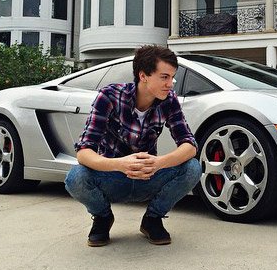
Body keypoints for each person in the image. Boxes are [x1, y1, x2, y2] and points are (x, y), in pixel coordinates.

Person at [65, 45, 201, 246]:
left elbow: (189, 145)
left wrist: (159, 163)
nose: (171, 84)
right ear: (143, 76)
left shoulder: (169, 101)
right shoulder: (109, 96)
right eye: (164, 77)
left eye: (172, 77)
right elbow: (84, 152)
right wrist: (120, 164)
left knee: (193, 168)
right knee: (75, 177)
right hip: (112, 177)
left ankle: (152, 219)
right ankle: (102, 218)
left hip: (148, 176)